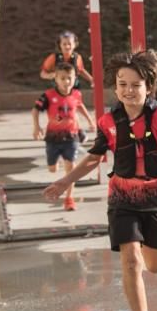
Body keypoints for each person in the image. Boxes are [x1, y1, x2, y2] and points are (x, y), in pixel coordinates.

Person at [44, 50, 157, 311]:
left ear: (148, 86)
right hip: (122, 198)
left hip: (155, 197)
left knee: (154, 266)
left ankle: (141, 245)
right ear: (115, 87)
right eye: (122, 84)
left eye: (136, 84)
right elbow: (93, 158)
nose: (129, 90)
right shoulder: (108, 121)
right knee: (130, 262)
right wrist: (66, 180)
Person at [32, 62, 93, 211]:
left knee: (70, 170)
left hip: (71, 138)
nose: (66, 82)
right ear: (56, 79)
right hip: (53, 138)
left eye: (69, 78)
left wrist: (90, 120)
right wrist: (36, 126)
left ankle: (69, 198)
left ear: (75, 79)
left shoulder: (77, 94)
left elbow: (79, 106)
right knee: (52, 169)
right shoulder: (48, 95)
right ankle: (55, 163)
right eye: (63, 78)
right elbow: (35, 110)